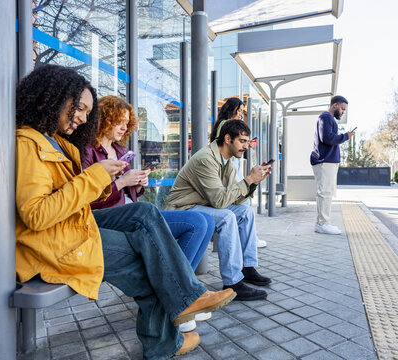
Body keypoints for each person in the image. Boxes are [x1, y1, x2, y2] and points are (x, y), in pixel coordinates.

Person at [15, 64, 235, 359]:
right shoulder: (29, 144)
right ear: (51, 98)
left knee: (144, 213)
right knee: (149, 258)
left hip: (70, 227)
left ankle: (186, 300)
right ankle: (164, 338)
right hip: (54, 241)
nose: (82, 118)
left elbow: (74, 197)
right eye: (79, 108)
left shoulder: (56, 142)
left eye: (86, 112)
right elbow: (37, 214)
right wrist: (99, 177)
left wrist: (108, 181)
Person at [82, 95, 215, 332]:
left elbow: (132, 192)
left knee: (202, 222)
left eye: (127, 122)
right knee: (158, 213)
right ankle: (180, 301)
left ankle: (180, 296)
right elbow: (86, 198)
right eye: (119, 121)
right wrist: (121, 183)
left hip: (130, 212)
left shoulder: (120, 149)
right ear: (105, 119)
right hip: (109, 218)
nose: (124, 127)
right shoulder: (88, 150)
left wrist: (138, 182)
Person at [163, 120, 272, 301]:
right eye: (242, 141)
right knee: (226, 217)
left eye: (247, 141)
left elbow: (233, 198)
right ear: (228, 139)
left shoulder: (227, 162)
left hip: (201, 205)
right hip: (181, 209)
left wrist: (253, 182)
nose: (246, 146)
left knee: (245, 211)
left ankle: (247, 267)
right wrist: (248, 180)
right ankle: (233, 282)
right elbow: (220, 201)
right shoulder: (206, 159)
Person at [210, 98, 266, 248]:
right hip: (230, 167)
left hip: (233, 166)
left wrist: (247, 143)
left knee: (243, 203)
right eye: (239, 110)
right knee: (243, 201)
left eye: (242, 111)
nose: (241, 114)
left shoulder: (222, 124)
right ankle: (250, 239)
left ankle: (249, 239)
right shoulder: (225, 125)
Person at [310, 95, 354, 235]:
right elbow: (327, 138)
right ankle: (322, 223)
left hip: (328, 161)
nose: (342, 112)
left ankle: (323, 222)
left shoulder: (328, 119)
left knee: (327, 192)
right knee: (325, 192)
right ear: (334, 105)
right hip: (325, 161)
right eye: (342, 108)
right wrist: (345, 136)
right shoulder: (326, 117)